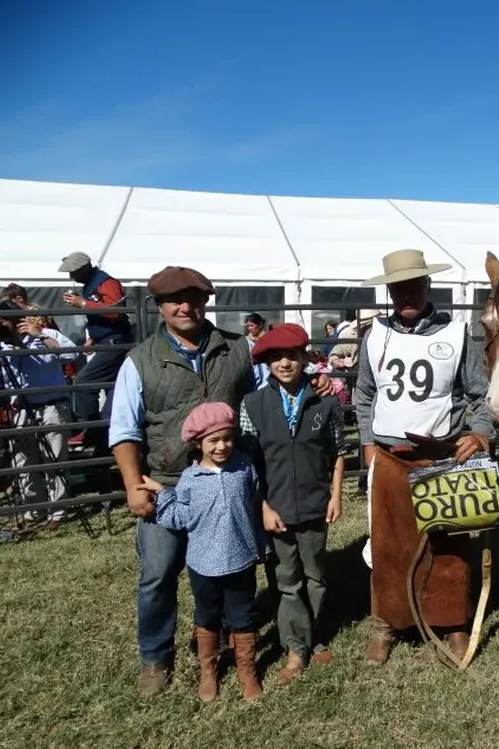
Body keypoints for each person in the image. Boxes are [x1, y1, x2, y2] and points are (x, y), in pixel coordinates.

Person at [110, 265, 335, 697]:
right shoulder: (139, 361)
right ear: (159, 307)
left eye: (193, 298)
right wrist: (133, 484)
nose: (185, 307)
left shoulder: (238, 348)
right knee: (158, 571)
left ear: (206, 302)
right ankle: (156, 656)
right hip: (168, 480)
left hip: (234, 479)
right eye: (174, 300)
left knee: (248, 563)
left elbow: (273, 388)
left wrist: (314, 383)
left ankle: (263, 635)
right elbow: (125, 428)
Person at [353, 248, 493, 665]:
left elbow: (479, 395)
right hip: (389, 456)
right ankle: (386, 623)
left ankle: (452, 622)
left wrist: (480, 433)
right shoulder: (375, 335)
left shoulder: (456, 333)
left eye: (414, 285)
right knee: (388, 545)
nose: (406, 294)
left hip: (440, 457)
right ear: (389, 291)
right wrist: (368, 446)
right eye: (398, 288)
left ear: (428, 284)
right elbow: (364, 395)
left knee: (449, 544)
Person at [238, 323, 347, 683]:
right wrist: (263, 507)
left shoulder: (326, 402)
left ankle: (315, 635)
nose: (285, 363)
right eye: (276, 358)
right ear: (267, 363)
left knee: (316, 576)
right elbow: (250, 465)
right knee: (288, 581)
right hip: (278, 508)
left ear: (304, 358)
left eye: (292, 356)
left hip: (316, 503)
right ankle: (295, 648)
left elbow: (338, 452)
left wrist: (336, 495)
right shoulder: (253, 405)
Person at [137, 402, 265, 702]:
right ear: (198, 443)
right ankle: (208, 670)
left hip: (241, 559)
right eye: (213, 441)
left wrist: (261, 542)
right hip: (203, 563)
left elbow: (255, 501)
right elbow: (181, 516)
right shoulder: (190, 480)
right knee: (207, 615)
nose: (222, 446)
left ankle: (247, 670)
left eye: (227, 438)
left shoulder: (245, 468)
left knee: (243, 615)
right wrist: (162, 494)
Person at [0, 302, 76, 527]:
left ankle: (57, 513)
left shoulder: (47, 334)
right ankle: (33, 510)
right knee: (23, 463)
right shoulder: (0, 348)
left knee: (54, 461)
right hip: (20, 409)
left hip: (52, 407)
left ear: (15, 319)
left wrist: (40, 336)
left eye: (2, 321)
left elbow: (71, 354)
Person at [58, 252, 133, 440]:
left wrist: (83, 303)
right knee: (114, 388)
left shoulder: (106, 283)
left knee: (84, 382)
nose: (71, 276)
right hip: (109, 341)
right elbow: (105, 316)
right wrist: (93, 338)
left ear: (84, 268)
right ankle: (107, 432)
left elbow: (116, 311)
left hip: (115, 342)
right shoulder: (94, 283)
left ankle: (94, 428)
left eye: (74, 272)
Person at [244, 313, 270, 389]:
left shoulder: (269, 338)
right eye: (248, 326)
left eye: (251, 325)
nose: (249, 328)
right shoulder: (246, 341)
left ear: (260, 325)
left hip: (267, 376)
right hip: (252, 376)